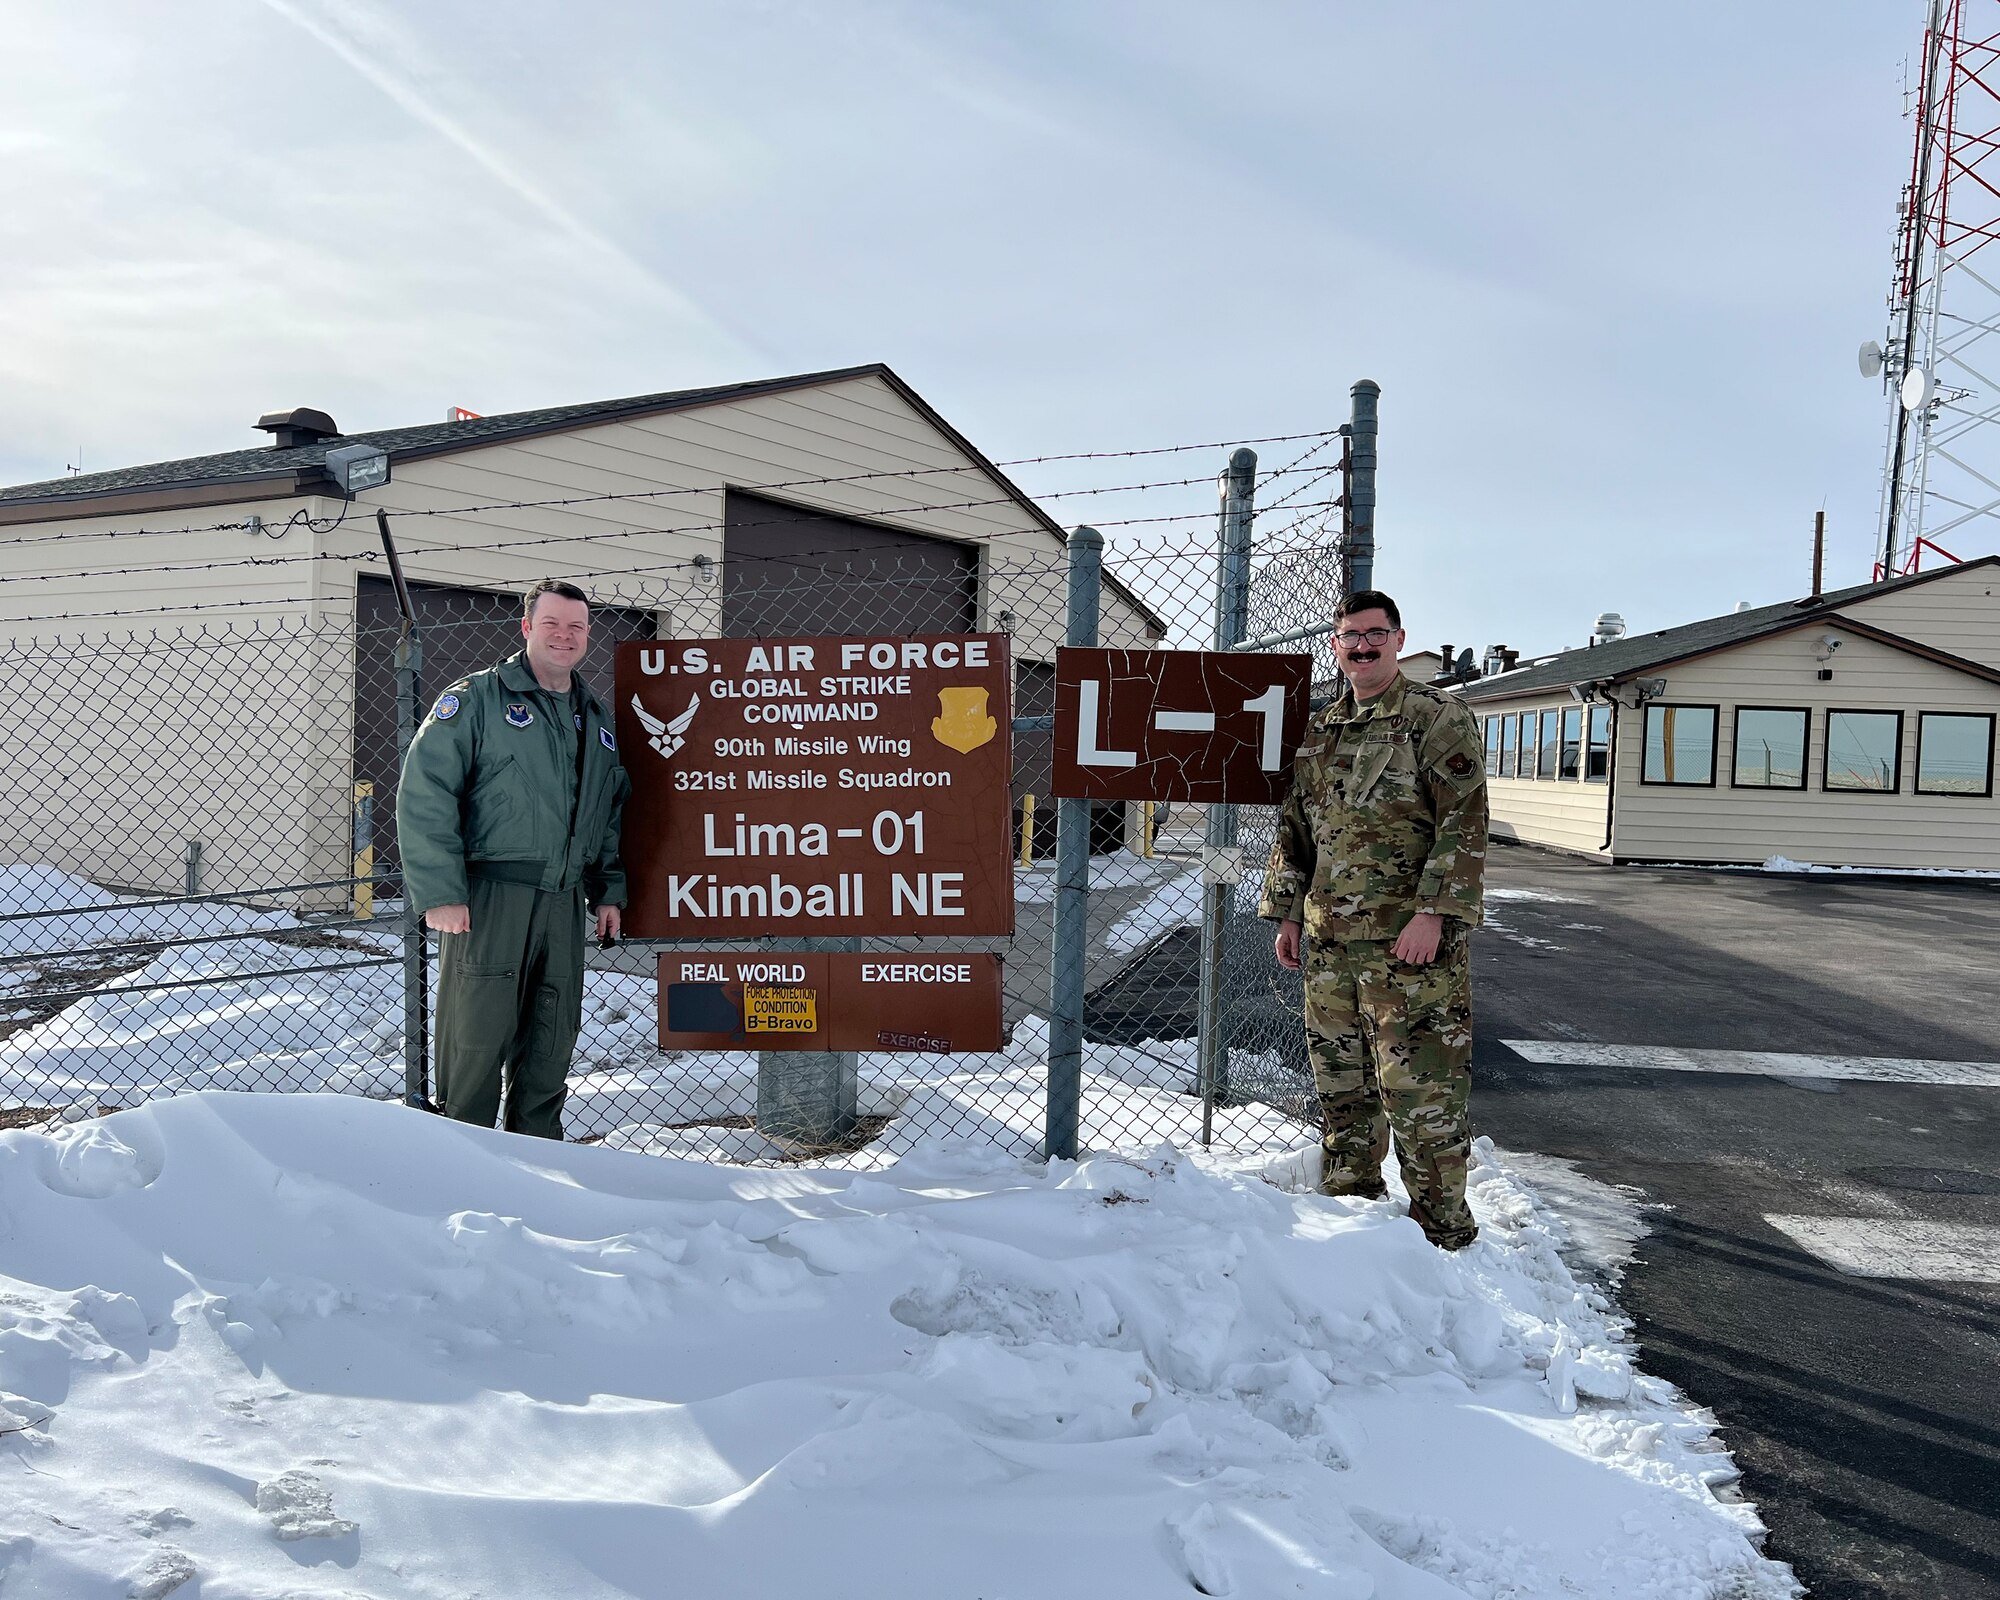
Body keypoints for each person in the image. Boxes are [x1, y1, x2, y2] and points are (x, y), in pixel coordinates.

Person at [1259, 589, 1488, 1249]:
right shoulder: (1322, 731)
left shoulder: (1435, 718)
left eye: (1375, 634)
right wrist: (1287, 913)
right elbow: (1297, 829)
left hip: (1407, 950)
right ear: (1336, 646)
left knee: (1421, 1096)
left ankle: (1443, 1232)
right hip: (1330, 947)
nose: (1362, 645)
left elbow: (1463, 823)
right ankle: (1352, 1212)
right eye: (1350, 636)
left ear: (1397, 637)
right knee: (1344, 1091)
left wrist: (1434, 914)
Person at [397, 579, 630, 1138]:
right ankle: (461, 1171)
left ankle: (537, 1167)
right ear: (527, 628)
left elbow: (605, 813)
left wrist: (608, 890)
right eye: (551, 623)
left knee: (550, 1045)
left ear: (588, 636)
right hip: (489, 899)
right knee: (475, 1043)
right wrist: (441, 893)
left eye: (576, 626)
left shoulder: (595, 720)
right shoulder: (477, 700)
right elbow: (425, 793)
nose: (564, 635)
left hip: (563, 902)